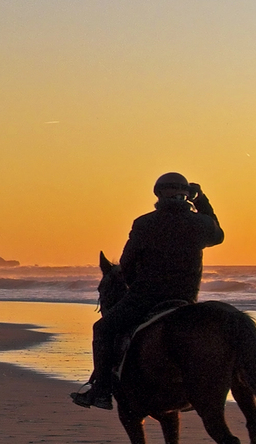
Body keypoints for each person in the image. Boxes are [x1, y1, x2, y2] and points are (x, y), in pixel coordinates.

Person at [70, 172, 224, 410]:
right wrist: (201, 201)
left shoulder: (144, 223)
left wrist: (134, 286)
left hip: (147, 297)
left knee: (102, 328)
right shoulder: (201, 223)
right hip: (186, 298)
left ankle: (101, 391)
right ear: (187, 194)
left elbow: (127, 263)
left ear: (159, 194)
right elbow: (218, 236)